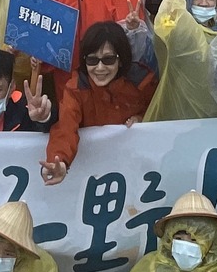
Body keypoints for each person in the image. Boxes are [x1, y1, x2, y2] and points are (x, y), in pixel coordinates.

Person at [40, 21, 156, 183]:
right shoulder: (75, 89)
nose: (100, 68)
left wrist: (143, 118)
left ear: (121, 60)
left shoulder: (144, 82)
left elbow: (162, 114)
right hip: (94, 174)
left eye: (108, 60)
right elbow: (65, 128)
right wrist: (59, 161)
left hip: (137, 168)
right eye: (92, 60)